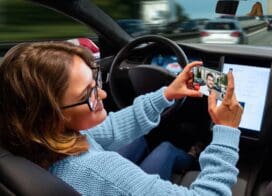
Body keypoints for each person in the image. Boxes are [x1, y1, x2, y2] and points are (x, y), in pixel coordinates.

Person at [0, 41, 243, 195]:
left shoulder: (38, 137)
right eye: (89, 94)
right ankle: (193, 154)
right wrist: (226, 133)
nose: (103, 93)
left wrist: (166, 94)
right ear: (50, 116)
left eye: (96, 82)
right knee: (167, 148)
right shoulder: (100, 172)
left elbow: (111, 128)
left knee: (148, 143)